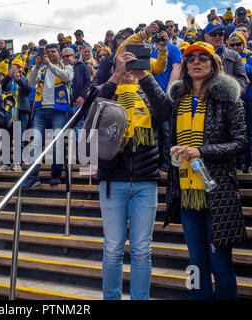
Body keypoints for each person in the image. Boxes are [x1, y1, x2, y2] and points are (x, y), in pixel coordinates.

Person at [135, 41, 248, 300]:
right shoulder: (178, 97)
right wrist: (143, 75)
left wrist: (202, 151)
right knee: (195, 263)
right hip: (186, 193)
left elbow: (241, 143)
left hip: (218, 193)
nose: (196, 61)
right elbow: (160, 110)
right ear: (185, 65)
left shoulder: (229, 99)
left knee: (221, 263)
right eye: (190, 58)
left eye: (202, 57)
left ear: (213, 64)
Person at [96, 49, 169, 300]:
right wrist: (115, 75)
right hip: (112, 181)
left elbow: (165, 111)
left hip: (145, 182)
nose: (129, 68)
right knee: (114, 248)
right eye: (123, 64)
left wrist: (144, 75)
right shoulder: (108, 92)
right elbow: (91, 110)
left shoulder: (148, 94)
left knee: (141, 250)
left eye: (132, 64)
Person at [23, 43, 74, 188]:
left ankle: (56, 174)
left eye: (53, 51)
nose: (51, 54)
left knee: (57, 144)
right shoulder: (42, 67)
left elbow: (66, 77)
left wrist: (49, 65)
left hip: (59, 110)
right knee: (36, 144)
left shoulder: (67, 66)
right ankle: (33, 177)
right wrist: (37, 66)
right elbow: (31, 81)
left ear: (59, 54)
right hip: (40, 110)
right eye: (48, 52)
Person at [150, 20, 183, 172]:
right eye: (153, 33)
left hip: (165, 95)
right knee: (153, 131)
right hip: (149, 96)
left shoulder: (173, 48)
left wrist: (168, 92)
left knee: (166, 130)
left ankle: (167, 163)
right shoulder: (149, 50)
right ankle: (154, 162)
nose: (156, 36)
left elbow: (177, 69)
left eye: (159, 32)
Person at [0, 57, 32, 172]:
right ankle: (6, 163)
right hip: (8, 112)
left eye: (19, 67)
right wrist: (7, 76)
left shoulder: (25, 79)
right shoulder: (8, 80)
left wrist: (19, 80)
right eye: (14, 67)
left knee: (19, 138)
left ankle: (18, 163)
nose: (16, 69)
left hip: (21, 112)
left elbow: (28, 90)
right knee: (7, 137)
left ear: (22, 68)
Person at [202, 20, 249, 94]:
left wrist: (234, 94)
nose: (217, 37)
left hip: (228, 101)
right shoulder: (198, 55)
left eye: (220, 34)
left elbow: (242, 79)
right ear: (205, 36)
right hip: (204, 100)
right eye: (213, 34)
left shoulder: (234, 55)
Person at [229, 31, 252, 173]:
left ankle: (249, 164)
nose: (235, 47)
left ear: (243, 44)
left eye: (238, 44)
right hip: (232, 100)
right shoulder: (226, 55)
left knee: (249, 132)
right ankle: (236, 165)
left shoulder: (249, 55)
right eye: (232, 45)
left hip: (248, 98)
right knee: (234, 134)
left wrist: (239, 65)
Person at [62, 47, 91, 140]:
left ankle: (80, 148)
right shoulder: (60, 69)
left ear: (73, 56)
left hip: (77, 101)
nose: (65, 58)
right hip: (64, 102)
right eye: (63, 56)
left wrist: (83, 96)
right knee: (65, 126)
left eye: (68, 56)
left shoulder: (82, 66)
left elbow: (88, 82)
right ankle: (69, 149)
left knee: (78, 124)